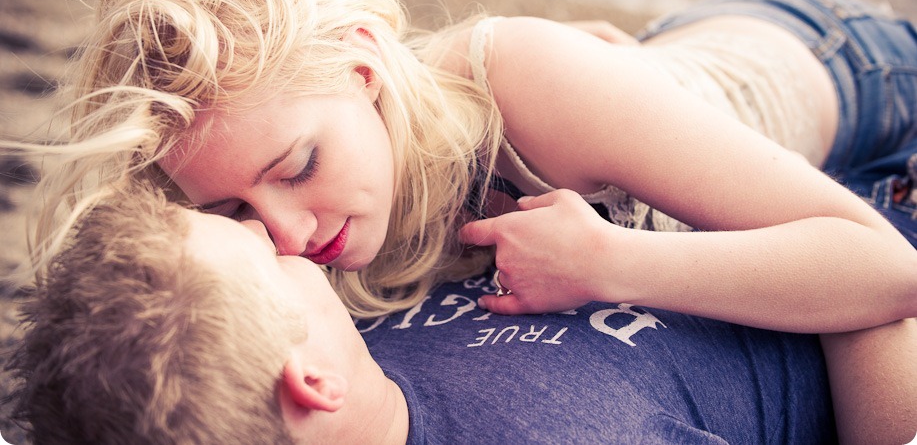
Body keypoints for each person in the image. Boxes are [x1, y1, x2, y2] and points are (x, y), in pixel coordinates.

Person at [8, 0, 917, 441]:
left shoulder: (522, 88)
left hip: (838, 67)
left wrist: (610, 262)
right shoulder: (318, 228)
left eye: (296, 167)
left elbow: (882, 271)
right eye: (235, 211)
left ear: (366, 69)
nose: (285, 234)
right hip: (643, 116)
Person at [7, 188, 839, 444]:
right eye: (257, 252)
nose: (269, 230)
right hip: (848, 290)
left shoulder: (354, 343)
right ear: (311, 383)